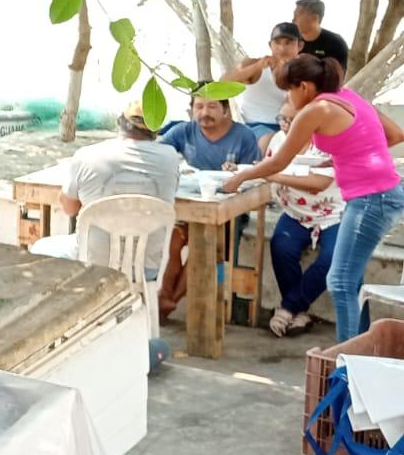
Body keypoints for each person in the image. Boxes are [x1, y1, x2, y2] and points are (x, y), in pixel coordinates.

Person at [226, 55, 404, 342]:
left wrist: (240, 178)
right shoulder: (347, 96)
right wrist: (345, 157)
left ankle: (345, 363)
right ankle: (359, 347)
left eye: (289, 89)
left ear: (305, 87)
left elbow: (277, 163)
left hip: (372, 199)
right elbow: (394, 135)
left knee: (340, 281)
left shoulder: (315, 110)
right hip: (383, 195)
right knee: (350, 279)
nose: (288, 96)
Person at [31, 99, 180, 279]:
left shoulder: (86, 155)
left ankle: (61, 305)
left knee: (40, 247)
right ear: (155, 130)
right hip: (147, 269)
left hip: (94, 263)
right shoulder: (170, 158)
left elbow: (69, 209)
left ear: (120, 124)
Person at [156, 88, 264, 319]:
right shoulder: (184, 131)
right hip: (193, 209)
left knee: (204, 247)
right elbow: (157, 153)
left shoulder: (243, 135)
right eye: (199, 106)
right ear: (191, 109)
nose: (205, 112)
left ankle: (168, 302)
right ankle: (165, 296)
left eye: (212, 106)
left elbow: (257, 174)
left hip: (229, 214)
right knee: (173, 241)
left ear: (226, 110)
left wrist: (240, 173)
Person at [258, 99, 344, 337]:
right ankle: (301, 312)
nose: (285, 125)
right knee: (281, 247)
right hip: (295, 212)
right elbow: (265, 168)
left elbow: (320, 183)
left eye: (291, 120)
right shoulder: (278, 141)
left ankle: (287, 308)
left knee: (331, 259)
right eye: (282, 118)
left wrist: (274, 176)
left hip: (333, 214)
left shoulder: (328, 143)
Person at [225, 22, 302, 140]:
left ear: (300, 46)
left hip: (286, 128)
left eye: (288, 43)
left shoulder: (304, 72)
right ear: (270, 45)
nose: (282, 48)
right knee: (270, 139)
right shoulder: (253, 65)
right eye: (277, 43)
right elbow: (223, 83)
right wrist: (258, 66)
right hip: (253, 128)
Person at [292, 0, 349, 73]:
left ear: (314, 18)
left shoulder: (336, 43)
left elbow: (338, 76)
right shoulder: (292, 41)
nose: (293, 19)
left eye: (297, 15)